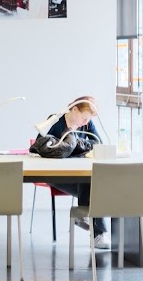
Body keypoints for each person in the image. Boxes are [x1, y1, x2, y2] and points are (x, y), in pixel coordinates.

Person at [46, 96, 110, 248]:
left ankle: (88, 222)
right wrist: (80, 147)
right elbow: (40, 145)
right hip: (56, 175)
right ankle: (93, 228)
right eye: (84, 117)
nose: (86, 122)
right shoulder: (56, 121)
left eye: (89, 119)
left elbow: (98, 144)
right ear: (75, 110)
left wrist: (76, 145)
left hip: (79, 176)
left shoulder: (87, 125)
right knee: (91, 184)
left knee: (93, 180)